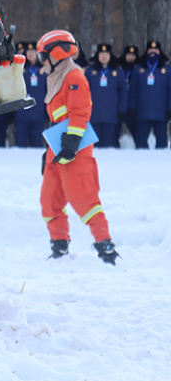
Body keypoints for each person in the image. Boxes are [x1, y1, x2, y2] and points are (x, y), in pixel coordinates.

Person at [36, 30, 118, 264]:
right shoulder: (56, 77)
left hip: (76, 148)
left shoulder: (73, 76)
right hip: (57, 147)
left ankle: (105, 245)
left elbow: (79, 113)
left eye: (43, 56)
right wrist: (50, 149)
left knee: (84, 199)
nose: (41, 61)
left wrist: (71, 144)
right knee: (49, 201)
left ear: (57, 53)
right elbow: (58, 119)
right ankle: (59, 247)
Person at [127, 40, 171, 149]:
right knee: (141, 143)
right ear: (147, 52)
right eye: (150, 50)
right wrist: (132, 107)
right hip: (142, 113)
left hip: (161, 113)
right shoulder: (138, 70)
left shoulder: (167, 71)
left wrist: (170, 108)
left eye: (155, 50)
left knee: (162, 143)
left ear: (160, 52)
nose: (153, 52)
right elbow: (133, 91)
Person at [83, 43, 127, 148]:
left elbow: (123, 92)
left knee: (109, 143)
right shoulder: (90, 71)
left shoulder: (118, 72)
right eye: (101, 54)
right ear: (97, 55)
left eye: (106, 54)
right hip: (94, 115)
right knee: (94, 145)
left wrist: (122, 110)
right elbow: (83, 92)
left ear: (110, 55)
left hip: (112, 115)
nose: (104, 56)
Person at [14, 41, 47, 147]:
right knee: (20, 143)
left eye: (33, 51)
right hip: (22, 113)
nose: (31, 54)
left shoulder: (44, 70)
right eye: (28, 51)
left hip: (39, 112)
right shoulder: (20, 69)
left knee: (36, 143)